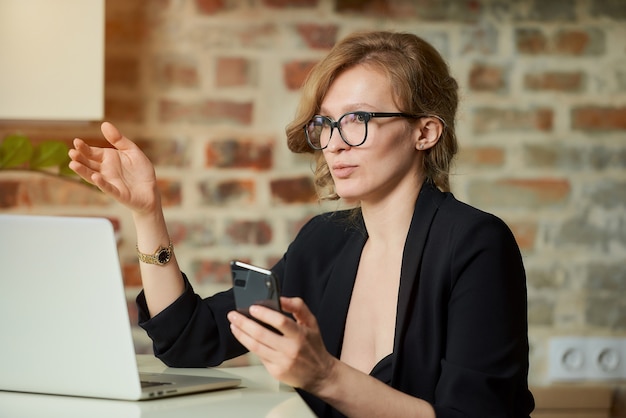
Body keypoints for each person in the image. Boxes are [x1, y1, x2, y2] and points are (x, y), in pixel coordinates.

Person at [69, 31, 534, 417]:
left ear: (425, 132)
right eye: (327, 123)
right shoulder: (323, 241)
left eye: (359, 120)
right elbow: (189, 340)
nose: (334, 144)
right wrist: (148, 212)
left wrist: (324, 376)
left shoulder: (476, 244)